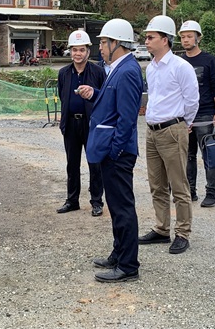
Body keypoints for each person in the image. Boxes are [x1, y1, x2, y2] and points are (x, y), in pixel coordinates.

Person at [76, 18, 144, 283]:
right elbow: (112, 102)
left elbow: (127, 118)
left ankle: (128, 265)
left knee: (122, 207)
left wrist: (115, 151)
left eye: (104, 42)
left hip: (118, 153)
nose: (100, 47)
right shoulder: (117, 68)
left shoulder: (127, 71)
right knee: (116, 206)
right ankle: (119, 253)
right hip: (113, 151)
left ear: (117, 43)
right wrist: (95, 94)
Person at [138, 15, 199, 255]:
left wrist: (183, 125)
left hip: (173, 129)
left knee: (179, 185)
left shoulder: (181, 67)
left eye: (151, 37)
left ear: (165, 40)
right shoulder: (151, 68)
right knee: (157, 184)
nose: (147, 41)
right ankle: (162, 228)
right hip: (152, 131)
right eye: (146, 37)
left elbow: (192, 100)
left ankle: (182, 232)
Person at [56, 30, 107, 216]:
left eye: (81, 50)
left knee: (95, 163)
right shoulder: (64, 73)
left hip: (91, 124)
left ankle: (96, 201)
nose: (78, 53)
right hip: (71, 124)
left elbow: (105, 97)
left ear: (88, 51)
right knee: (72, 164)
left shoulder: (98, 72)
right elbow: (63, 97)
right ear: (70, 51)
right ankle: (72, 200)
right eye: (74, 50)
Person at [178, 20, 215, 207]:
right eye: (183, 37)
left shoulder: (209, 60)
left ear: (198, 38)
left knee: (209, 155)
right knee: (187, 155)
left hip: (205, 114)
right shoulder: (179, 61)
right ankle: (190, 191)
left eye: (189, 36)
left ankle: (212, 193)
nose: (186, 40)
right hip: (184, 116)